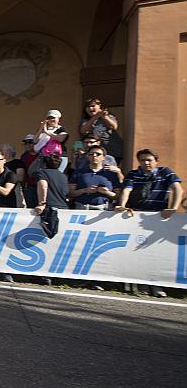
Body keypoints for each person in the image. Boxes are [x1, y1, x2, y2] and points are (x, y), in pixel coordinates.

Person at [116, 148, 182, 298]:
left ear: (156, 161)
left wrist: (173, 208)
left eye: (149, 160)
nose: (146, 163)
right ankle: (142, 284)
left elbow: (177, 189)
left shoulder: (165, 172)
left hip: (158, 218)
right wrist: (122, 205)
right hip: (136, 217)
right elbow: (127, 190)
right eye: (143, 160)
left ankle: (157, 285)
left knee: (157, 253)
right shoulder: (133, 174)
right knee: (137, 251)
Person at [68, 145, 121, 210]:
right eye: (91, 154)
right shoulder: (79, 172)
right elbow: (70, 193)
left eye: (98, 154)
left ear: (103, 157)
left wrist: (107, 192)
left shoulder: (111, 174)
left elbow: (118, 196)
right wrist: (84, 190)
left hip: (104, 209)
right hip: (82, 208)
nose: (94, 156)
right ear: (88, 156)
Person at [80, 98, 123, 163]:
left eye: (93, 106)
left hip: (112, 150)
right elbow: (83, 131)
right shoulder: (86, 120)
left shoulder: (109, 116)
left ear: (99, 106)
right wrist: (95, 117)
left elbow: (114, 127)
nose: (90, 108)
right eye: (88, 107)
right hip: (95, 152)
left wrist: (105, 117)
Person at [20, 134, 39, 208]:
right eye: (26, 142)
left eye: (30, 142)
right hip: (29, 186)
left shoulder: (41, 155)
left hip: (41, 185)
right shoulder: (24, 156)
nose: (27, 144)